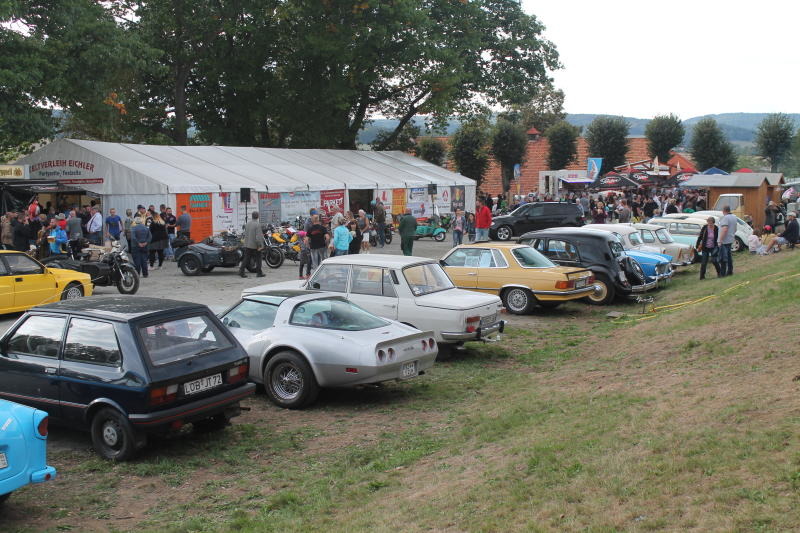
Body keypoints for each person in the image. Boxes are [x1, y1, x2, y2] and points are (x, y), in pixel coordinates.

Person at [239, 211, 265, 278]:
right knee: (259, 259)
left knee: (246, 258)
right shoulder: (257, 224)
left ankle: (241, 271)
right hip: (255, 245)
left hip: (247, 244)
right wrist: (260, 245)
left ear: (252, 216)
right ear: (258, 216)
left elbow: (245, 234)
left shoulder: (247, 224)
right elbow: (258, 237)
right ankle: (259, 273)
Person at [717, 205, 737, 277]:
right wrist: (732, 235)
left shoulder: (725, 218)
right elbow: (735, 228)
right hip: (730, 239)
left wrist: (720, 240)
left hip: (724, 241)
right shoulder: (734, 217)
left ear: (723, 211)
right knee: (729, 257)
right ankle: (730, 271)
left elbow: (724, 229)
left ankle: (722, 274)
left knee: (723, 258)